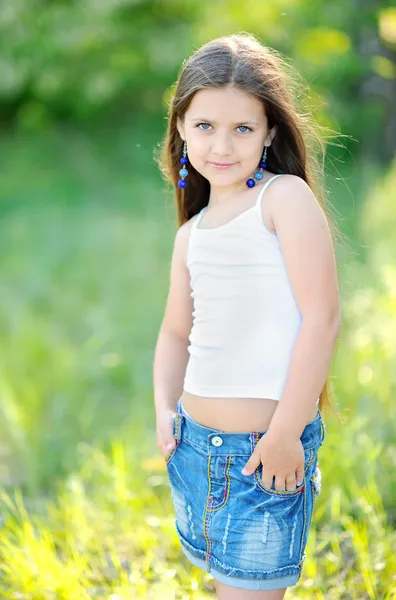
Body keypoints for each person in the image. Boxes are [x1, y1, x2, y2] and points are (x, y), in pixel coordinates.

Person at [153, 33, 341, 599]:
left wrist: (286, 431)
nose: (222, 145)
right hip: (194, 449)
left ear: (270, 133)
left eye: (243, 129)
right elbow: (175, 332)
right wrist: (163, 409)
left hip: (264, 454)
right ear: (182, 128)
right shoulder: (192, 233)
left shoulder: (281, 199)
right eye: (205, 125)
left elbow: (322, 317)